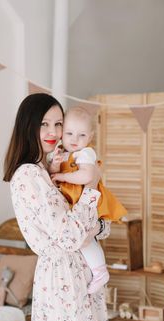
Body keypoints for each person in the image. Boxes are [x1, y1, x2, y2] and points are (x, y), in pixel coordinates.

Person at [3, 93, 112, 321]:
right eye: (44, 124)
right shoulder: (29, 174)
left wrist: (94, 226)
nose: (53, 131)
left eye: (58, 123)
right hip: (62, 276)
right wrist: (92, 184)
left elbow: (99, 227)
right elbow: (71, 236)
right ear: (28, 126)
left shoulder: (54, 170)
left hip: (79, 270)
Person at [48, 107, 128, 294]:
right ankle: (97, 271)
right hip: (76, 202)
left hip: (89, 201)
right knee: (83, 237)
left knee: (86, 238)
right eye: (69, 133)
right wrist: (55, 163)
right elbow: (53, 173)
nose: (74, 139)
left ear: (90, 136)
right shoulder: (63, 152)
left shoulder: (86, 153)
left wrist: (62, 176)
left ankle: (100, 271)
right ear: (62, 133)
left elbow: (86, 176)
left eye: (81, 135)